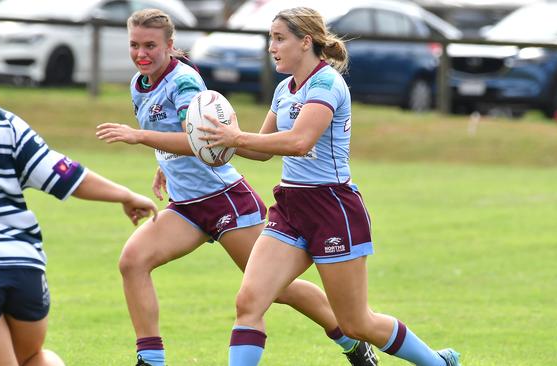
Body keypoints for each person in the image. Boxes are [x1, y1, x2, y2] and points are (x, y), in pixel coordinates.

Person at [95, 8, 377, 366]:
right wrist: (162, 166)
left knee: (276, 290)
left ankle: (350, 340)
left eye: (150, 45)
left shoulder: (183, 82)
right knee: (132, 261)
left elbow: (198, 139)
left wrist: (139, 137)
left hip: (225, 200)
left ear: (170, 45)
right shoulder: (141, 84)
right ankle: (150, 359)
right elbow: (171, 137)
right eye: (134, 45)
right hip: (186, 204)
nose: (141, 54)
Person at [198, 7, 462, 366]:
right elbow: (262, 149)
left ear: (305, 42)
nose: (271, 47)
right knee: (250, 301)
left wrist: (236, 136)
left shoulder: (326, 84)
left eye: (279, 38)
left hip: (332, 208)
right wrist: (217, 142)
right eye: (270, 39)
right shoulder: (283, 89)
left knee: (357, 322)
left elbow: (299, 141)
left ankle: (437, 363)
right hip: (290, 207)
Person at [0, 25, 158, 366]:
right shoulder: (4, 123)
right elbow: (66, 175)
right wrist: (125, 194)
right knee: (34, 358)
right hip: (23, 269)